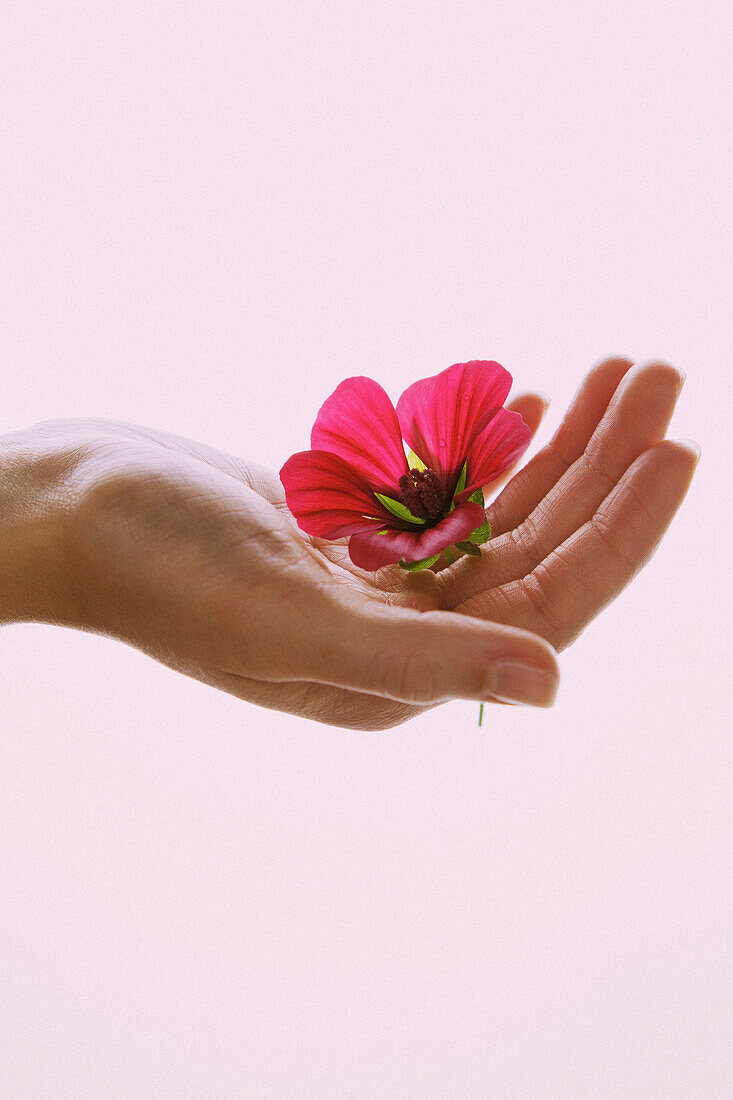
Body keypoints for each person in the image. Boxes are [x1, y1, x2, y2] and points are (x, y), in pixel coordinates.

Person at [0, 355, 698, 730]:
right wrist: (69, 497)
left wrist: (62, 492)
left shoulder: (451, 500)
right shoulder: (392, 523)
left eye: (430, 480)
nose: (419, 482)